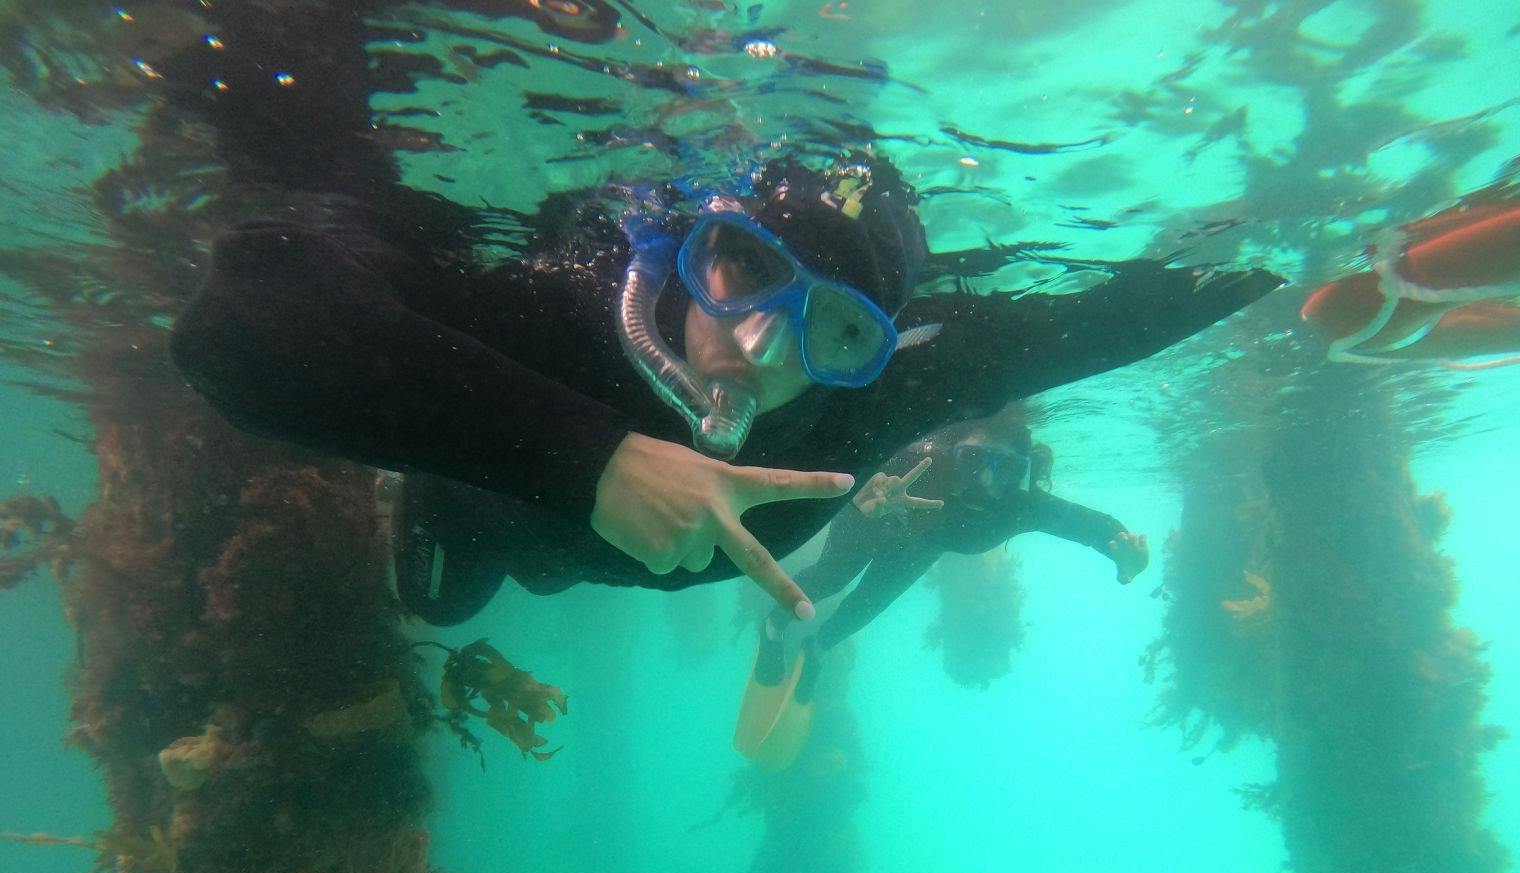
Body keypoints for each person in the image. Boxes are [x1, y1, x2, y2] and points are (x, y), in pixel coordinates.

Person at [162, 3, 1283, 630]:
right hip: (490, 505)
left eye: (836, 330)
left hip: (563, 556)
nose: (756, 343)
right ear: (682, 248)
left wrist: (1309, 252)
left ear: (879, 348)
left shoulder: (896, 387)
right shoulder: (563, 303)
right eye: (742, 271)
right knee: (438, 598)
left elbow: (1118, 320)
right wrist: (589, 462)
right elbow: (236, 328)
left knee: (485, 597)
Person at [733, 415, 1149, 768]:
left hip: (918, 547)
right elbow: (850, 460)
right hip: (873, 517)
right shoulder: (920, 460)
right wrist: (864, 498)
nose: (985, 479)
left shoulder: (1022, 505)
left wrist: (1127, 560)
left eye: (1005, 468)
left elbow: (1092, 526)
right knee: (831, 577)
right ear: (953, 451)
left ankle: (817, 649)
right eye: (972, 460)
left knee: (865, 608)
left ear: (1022, 473)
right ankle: (772, 629)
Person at [1301, 174, 1520, 368]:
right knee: (1345, 315)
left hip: (1363, 324)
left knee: (1344, 315)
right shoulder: (1347, 322)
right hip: (1364, 324)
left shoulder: (1347, 322)